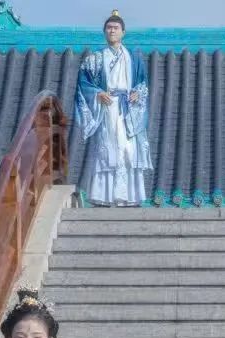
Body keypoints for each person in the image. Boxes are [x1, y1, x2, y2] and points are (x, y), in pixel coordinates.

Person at [74, 9, 152, 207]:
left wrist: (138, 93)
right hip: (107, 107)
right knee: (107, 150)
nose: (112, 31)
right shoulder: (95, 59)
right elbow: (83, 83)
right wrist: (97, 93)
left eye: (116, 28)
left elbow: (143, 83)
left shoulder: (134, 58)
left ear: (123, 32)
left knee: (128, 150)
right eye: (108, 28)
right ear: (104, 32)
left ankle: (130, 196)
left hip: (128, 109)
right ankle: (104, 196)